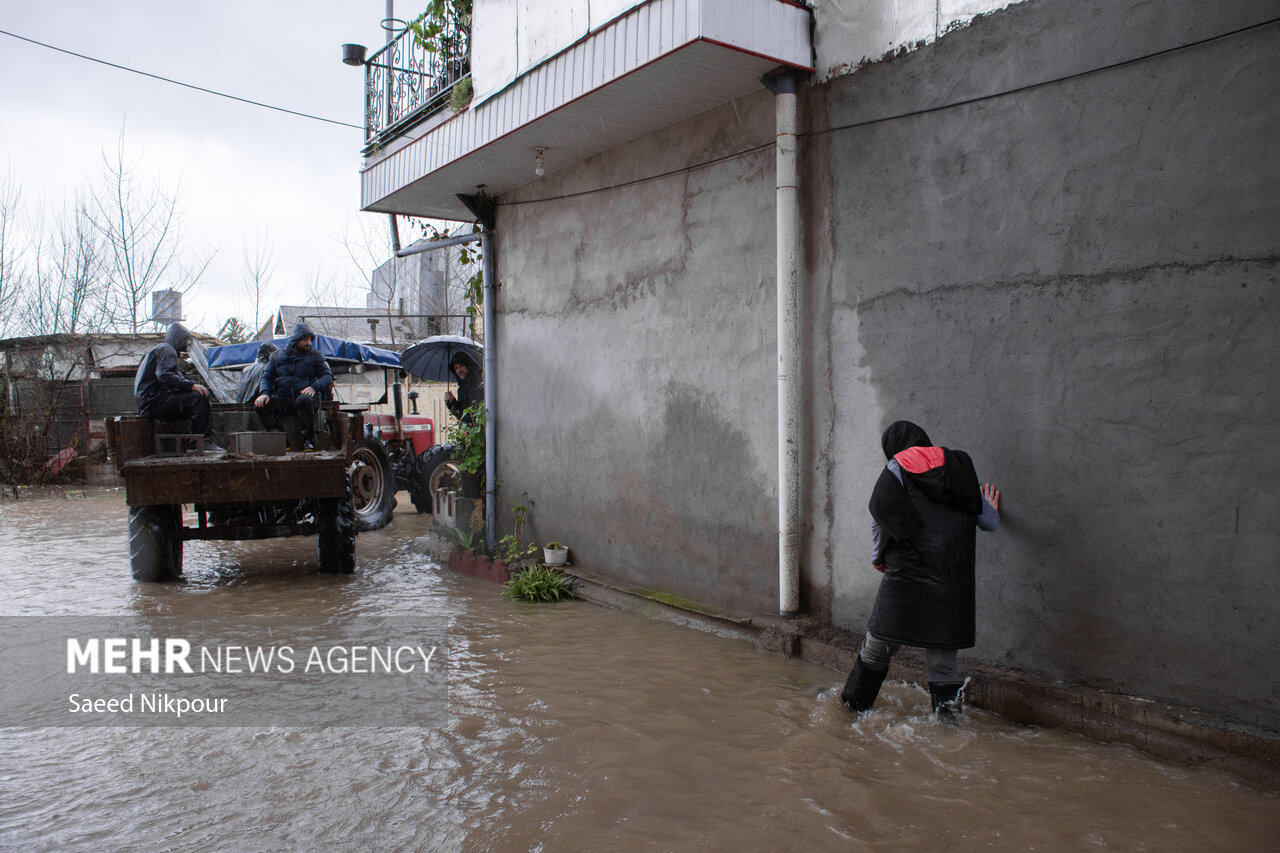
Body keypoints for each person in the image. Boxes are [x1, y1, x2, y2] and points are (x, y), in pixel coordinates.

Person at [841, 420, 1000, 721]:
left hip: (906, 580)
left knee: (876, 650)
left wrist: (878, 557)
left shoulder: (896, 468)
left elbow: (879, 512)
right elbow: (988, 522)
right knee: (944, 667)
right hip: (952, 584)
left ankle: (848, 718)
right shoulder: (960, 467)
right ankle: (949, 736)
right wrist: (989, 505)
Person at [134, 323, 224, 453]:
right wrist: (191, 386)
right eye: (186, 340)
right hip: (154, 400)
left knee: (194, 397)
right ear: (179, 339)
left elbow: (170, 377)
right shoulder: (167, 350)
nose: (187, 344)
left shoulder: (162, 350)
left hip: (149, 401)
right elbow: (165, 376)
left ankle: (195, 436)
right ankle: (201, 441)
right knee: (199, 398)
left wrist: (187, 386)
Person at [254, 323, 333, 449]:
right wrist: (264, 393)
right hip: (284, 399)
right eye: (305, 340)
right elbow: (267, 377)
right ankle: (279, 435)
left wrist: (314, 387)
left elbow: (327, 376)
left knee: (304, 400)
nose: (309, 343)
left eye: (310, 340)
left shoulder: (316, 355)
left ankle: (308, 439)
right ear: (296, 339)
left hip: (306, 398)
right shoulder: (277, 356)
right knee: (260, 404)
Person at [444, 350, 483, 422]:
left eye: (461, 366)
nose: (459, 370)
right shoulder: (461, 389)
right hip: (470, 431)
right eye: (456, 368)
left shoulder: (480, 383)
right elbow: (462, 416)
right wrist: (451, 402)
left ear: (468, 365)